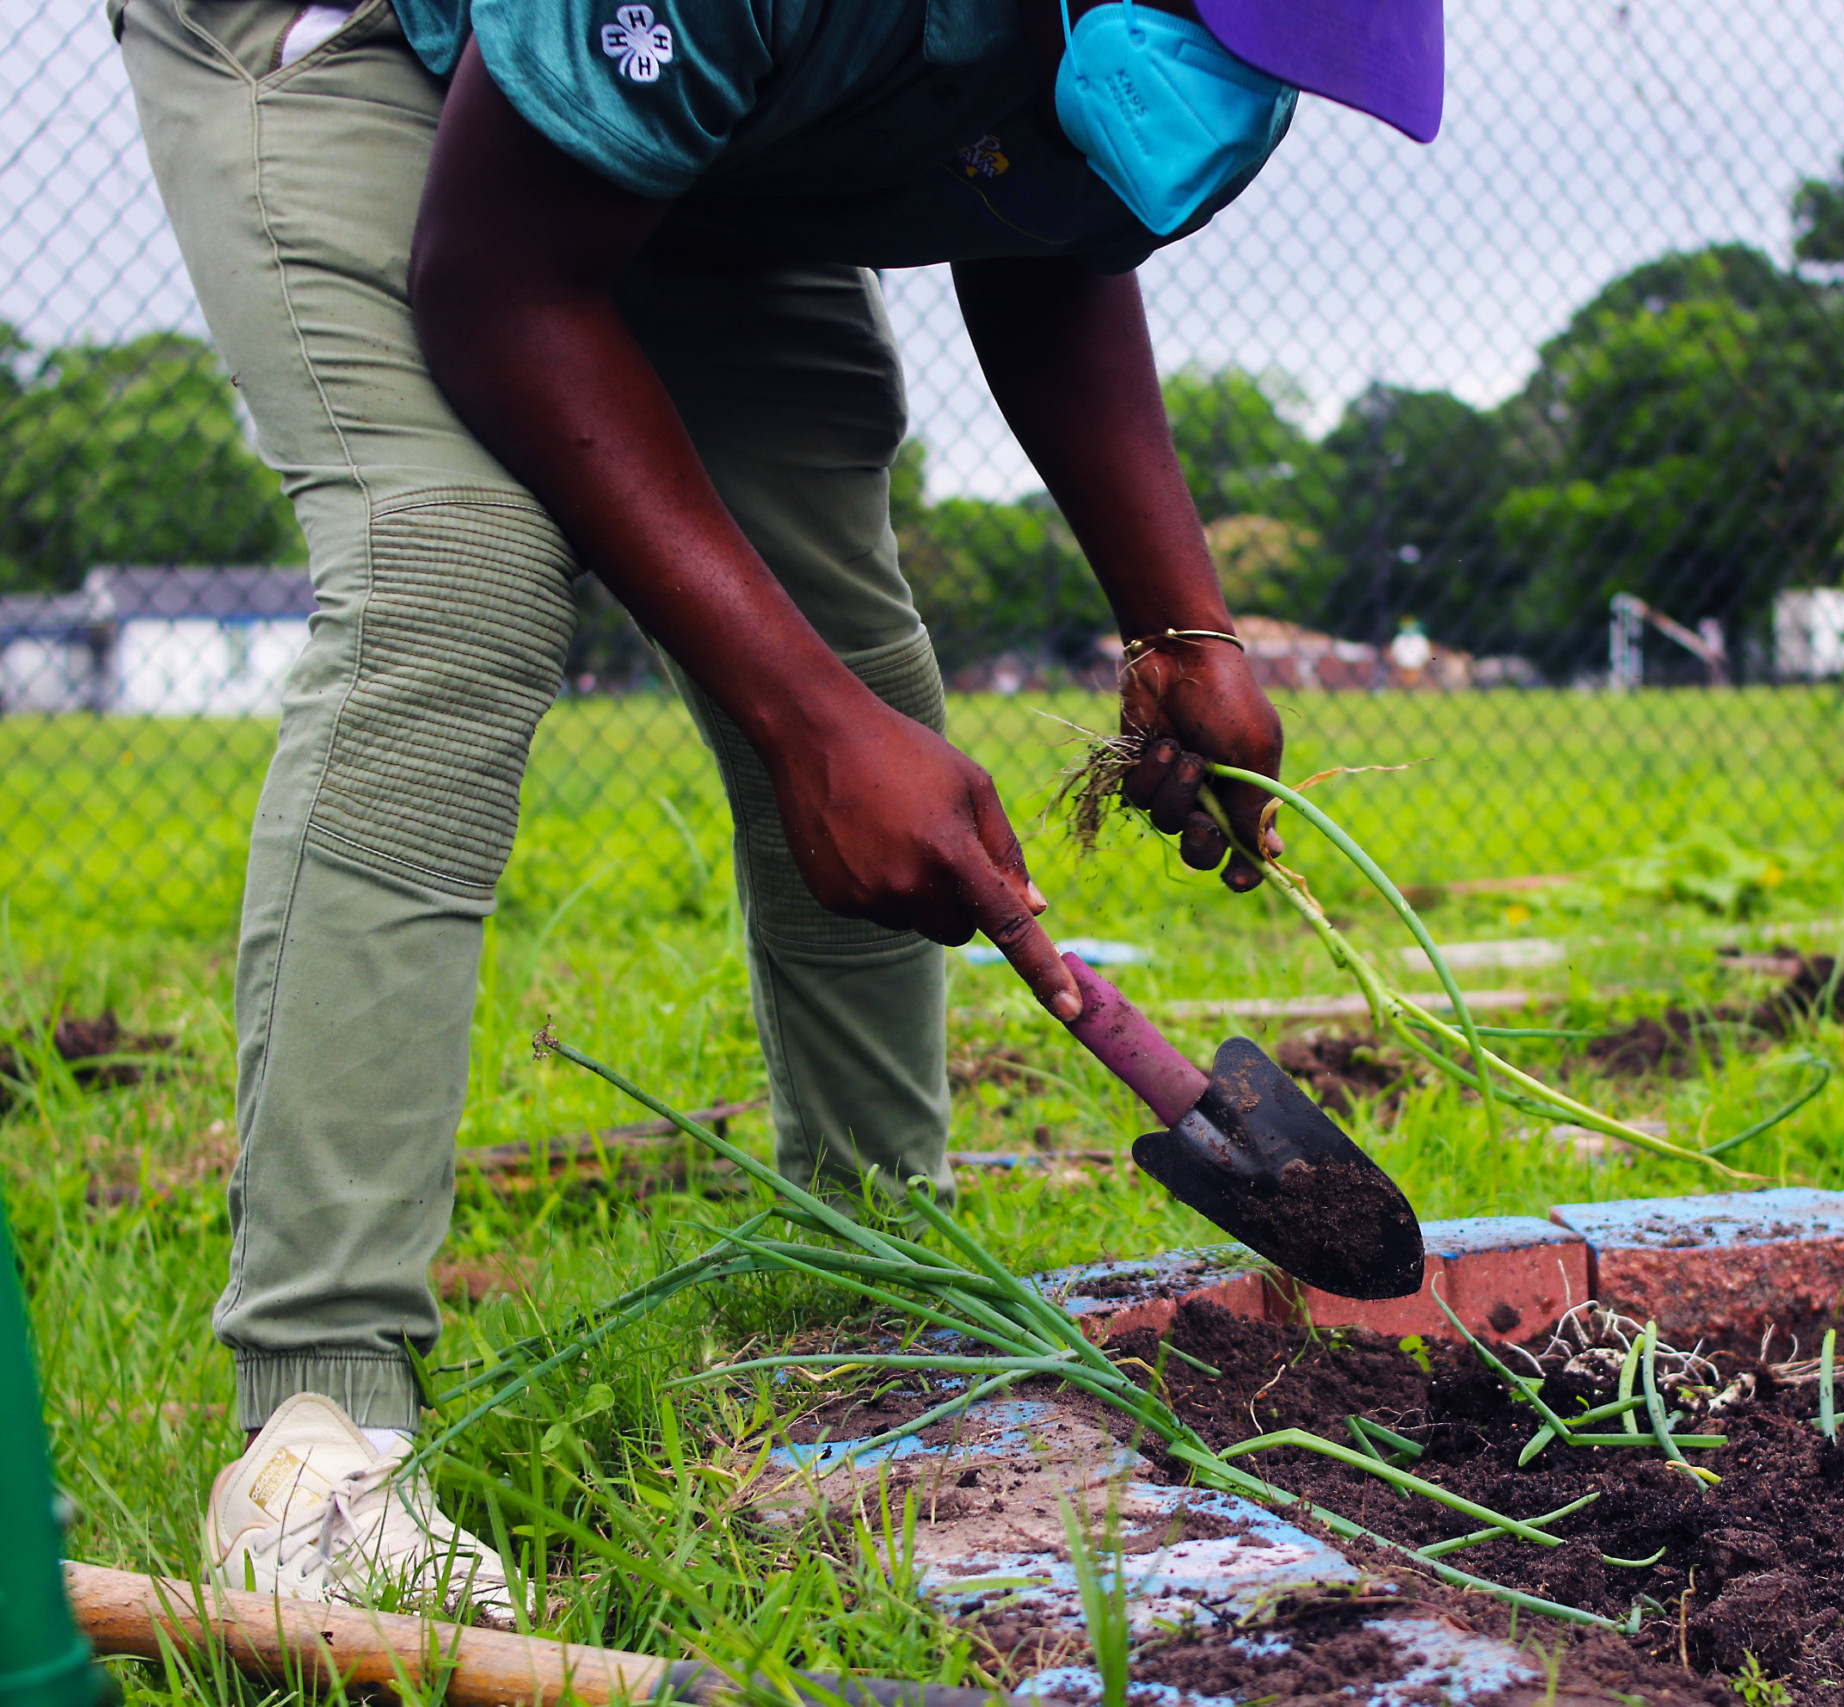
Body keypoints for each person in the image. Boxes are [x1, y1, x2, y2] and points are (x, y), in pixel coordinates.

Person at [114, 0, 1442, 1616]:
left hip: (693, 120)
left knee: (851, 653)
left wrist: (1181, 625)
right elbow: (498, 284)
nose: (1242, 100)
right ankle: (316, 1429)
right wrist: (812, 732)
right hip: (389, 46)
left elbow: (1043, 230)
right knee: (455, 572)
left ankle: (878, 1290)